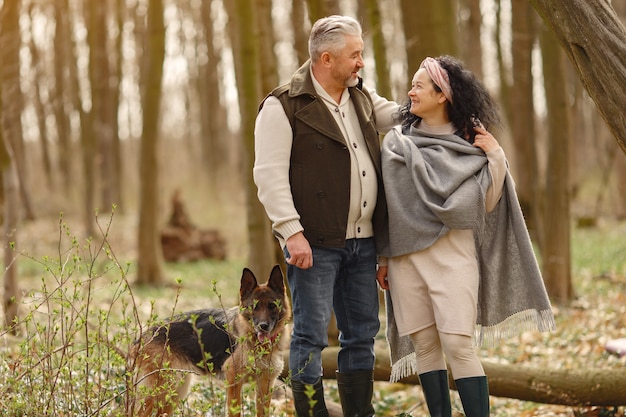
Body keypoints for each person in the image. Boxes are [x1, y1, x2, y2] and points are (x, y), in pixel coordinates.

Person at [377, 56, 555, 417]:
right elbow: (387, 208)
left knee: (459, 347)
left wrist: (497, 158)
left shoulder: (473, 148)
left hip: (454, 258)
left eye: (419, 85)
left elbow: (481, 207)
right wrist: (382, 257)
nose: (410, 92)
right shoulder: (397, 144)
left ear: (442, 95)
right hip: (404, 260)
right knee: (426, 347)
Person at [253, 15, 399, 417]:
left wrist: (443, 100)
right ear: (326, 58)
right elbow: (268, 175)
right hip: (313, 243)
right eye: (355, 56)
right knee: (310, 337)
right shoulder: (283, 105)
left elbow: (401, 115)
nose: (361, 63)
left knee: (361, 337)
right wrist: (290, 232)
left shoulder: (361, 98)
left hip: (364, 242)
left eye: (362, 55)